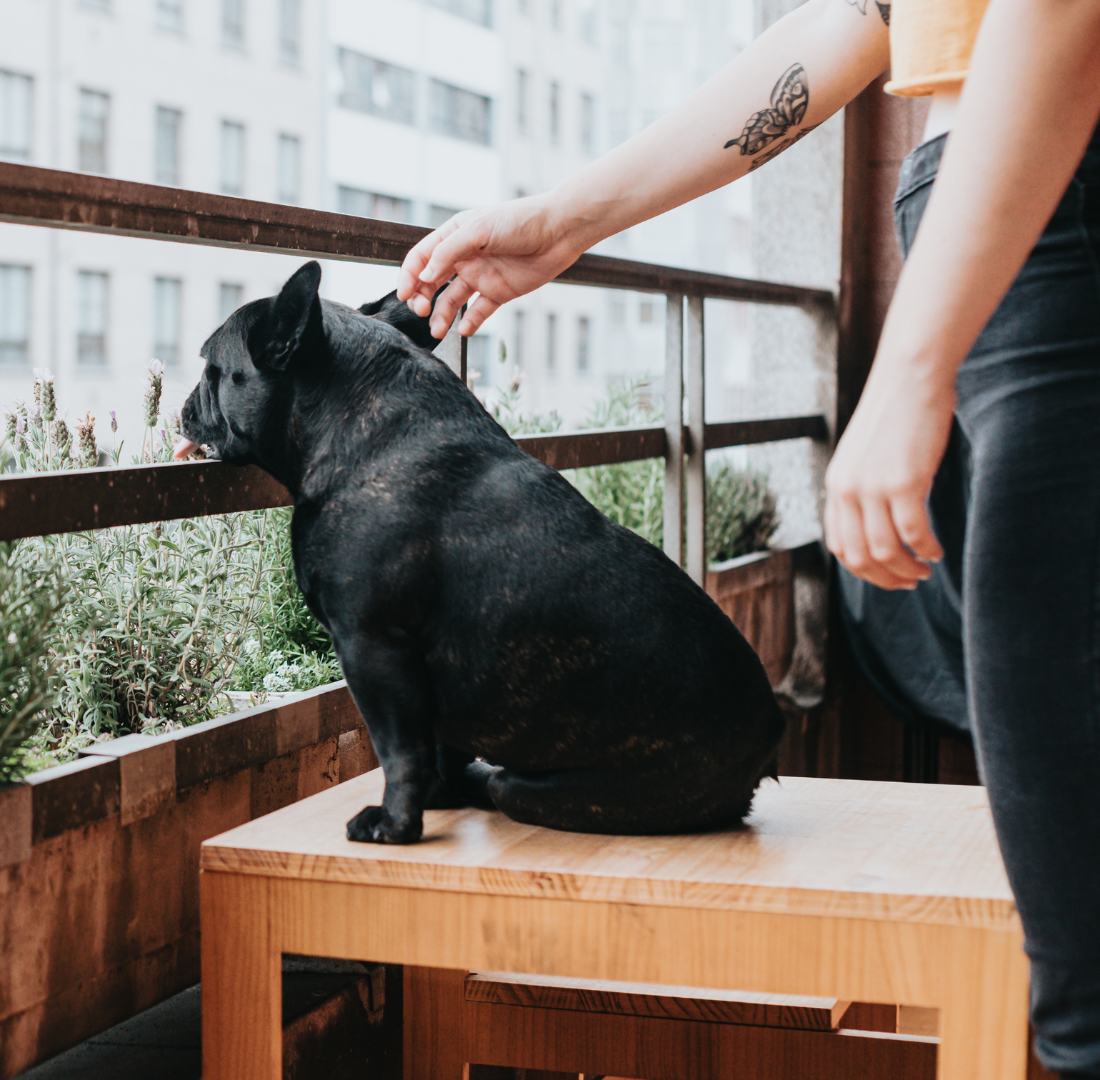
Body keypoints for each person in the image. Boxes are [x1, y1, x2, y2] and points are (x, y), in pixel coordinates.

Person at [393, 0, 1100, 1073]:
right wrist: (564, 218)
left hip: (1053, 240)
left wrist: (912, 367)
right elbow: (856, 24)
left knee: (1083, 985)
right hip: (1017, 255)